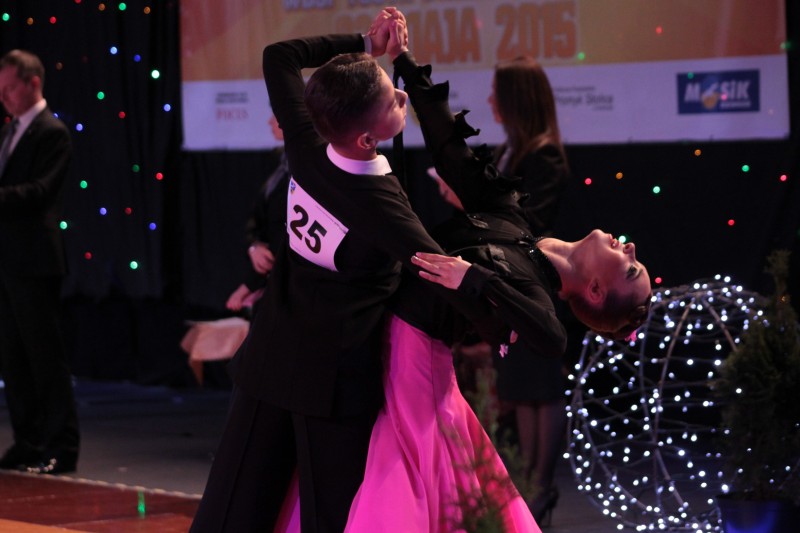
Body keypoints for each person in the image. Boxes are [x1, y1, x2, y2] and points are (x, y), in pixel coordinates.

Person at [339, 11, 652, 531]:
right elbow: (449, 147)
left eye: (632, 267)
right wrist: (403, 61)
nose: (632, 247)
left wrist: (474, 279)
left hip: (412, 366)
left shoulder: (533, 288)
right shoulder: (513, 217)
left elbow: (551, 337)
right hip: (378, 338)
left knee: (403, 502)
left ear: (596, 289)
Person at [189, 11, 494, 533]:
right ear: (367, 139)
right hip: (332, 385)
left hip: (272, 356)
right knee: (330, 519)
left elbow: (280, 55)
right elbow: (441, 271)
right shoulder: (380, 204)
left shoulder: (306, 144)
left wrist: (364, 44)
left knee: (232, 511)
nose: (403, 97)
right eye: (393, 100)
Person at [488, 55, 570, 523]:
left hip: (537, 283)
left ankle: (542, 484)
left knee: (542, 387)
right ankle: (528, 485)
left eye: (497, 93)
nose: (490, 101)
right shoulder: (511, 148)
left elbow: (532, 221)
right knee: (520, 387)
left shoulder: (545, 155)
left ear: (516, 99)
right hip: (514, 283)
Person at [0, 49, 80, 475]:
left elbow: (40, 192)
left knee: (44, 355)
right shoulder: (8, 131)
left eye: (10, 88)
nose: (4, 97)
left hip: (34, 260)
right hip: (7, 260)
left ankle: (61, 445)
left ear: (33, 83)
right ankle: (28, 440)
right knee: (12, 356)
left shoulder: (53, 132)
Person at [226, 114, 289, 313]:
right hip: (271, 275)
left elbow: (286, 232)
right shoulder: (278, 161)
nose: (269, 121)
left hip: (289, 280)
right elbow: (259, 220)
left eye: (276, 116)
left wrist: (251, 285)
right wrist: (254, 246)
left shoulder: (305, 170)